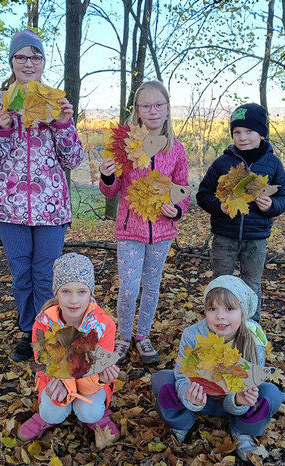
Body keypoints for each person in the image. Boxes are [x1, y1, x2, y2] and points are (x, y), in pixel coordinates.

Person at [0, 29, 84, 362]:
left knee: (46, 274)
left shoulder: (54, 102)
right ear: (12, 61)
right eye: (21, 56)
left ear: (44, 62)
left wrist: (63, 124)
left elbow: (73, 159)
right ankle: (27, 331)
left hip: (52, 208)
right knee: (21, 274)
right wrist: (1, 130)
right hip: (9, 209)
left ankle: (46, 333)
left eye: (36, 56)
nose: (29, 63)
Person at [99, 80, 190, 365]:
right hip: (130, 231)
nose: (153, 110)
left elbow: (183, 188)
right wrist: (107, 176)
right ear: (137, 110)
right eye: (146, 105)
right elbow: (111, 191)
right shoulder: (126, 147)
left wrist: (177, 209)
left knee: (151, 286)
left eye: (159, 104)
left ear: (167, 108)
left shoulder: (176, 150)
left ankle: (143, 336)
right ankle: (124, 336)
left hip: (162, 232)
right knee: (128, 287)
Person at [151, 275, 285, 458]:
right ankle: (181, 423)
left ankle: (243, 431)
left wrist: (239, 401)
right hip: (200, 397)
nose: (220, 316)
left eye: (229, 309)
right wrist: (189, 397)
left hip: (236, 402)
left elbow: (250, 387)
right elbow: (182, 375)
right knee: (162, 379)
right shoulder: (192, 335)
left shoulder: (254, 340)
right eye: (212, 309)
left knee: (271, 393)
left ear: (243, 312)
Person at [196, 102, 285, 322]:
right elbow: (203, 194)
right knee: (221, 283)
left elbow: (284, 197)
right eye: (237, 132)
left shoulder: (273, 164)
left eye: (249, 131)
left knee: (252, 284)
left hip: (256, 238)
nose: (242, 137)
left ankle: (251, 327)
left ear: (262, 134)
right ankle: (219, 324)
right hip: (224, 236)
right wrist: (219, 207)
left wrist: (271, 206)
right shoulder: (222, 163)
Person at [18, 253, 121, 441]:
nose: (74, 300)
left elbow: (99, 366)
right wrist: (61, 383)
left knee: (91, 412)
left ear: (91, 293)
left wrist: (101, 379)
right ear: (56, 293)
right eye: (66, 291)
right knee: (51, 413)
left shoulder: (104, 325)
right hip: (56, 378)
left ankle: (96, 417)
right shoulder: (43, 324)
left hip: (90, 382)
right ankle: (46, 418)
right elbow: (43, 364)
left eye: (81, 292)